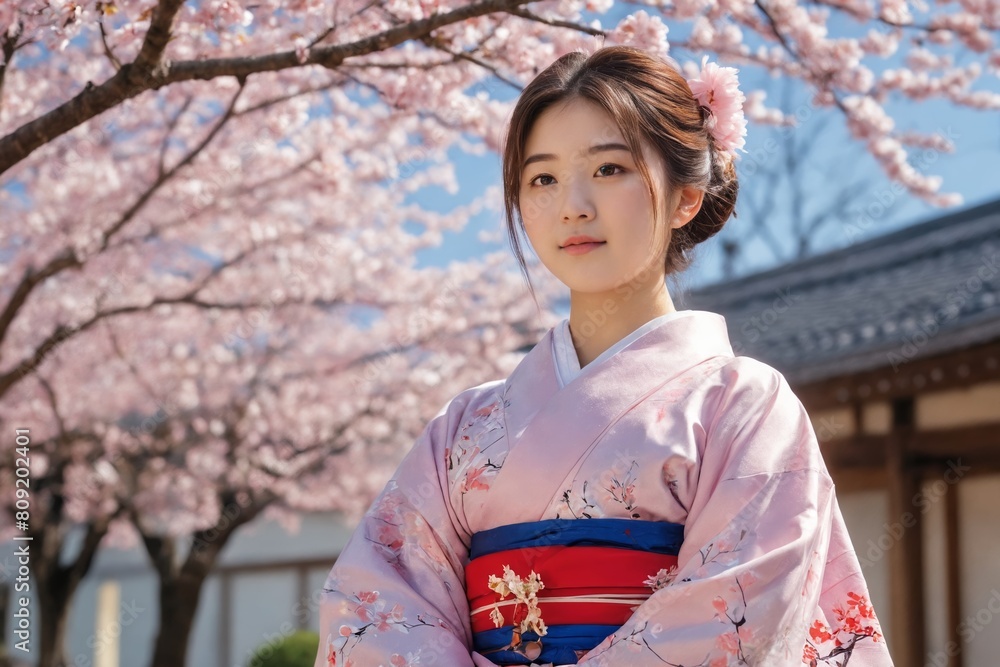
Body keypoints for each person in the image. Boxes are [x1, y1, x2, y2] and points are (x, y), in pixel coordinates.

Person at [313, 45, 893, 667]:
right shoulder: (463, 427)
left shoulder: (743, 405)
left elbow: (742, 616)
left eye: (610, 169)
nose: (573, 205)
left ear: (684, 198)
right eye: (542, 179)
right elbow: (376, 602)